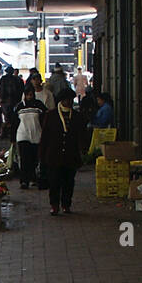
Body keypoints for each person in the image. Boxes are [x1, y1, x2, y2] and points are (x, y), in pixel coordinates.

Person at [42, 86, 83, 215]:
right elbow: (45, 136)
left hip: (71, 155)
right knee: (54, 182)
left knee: (69, 182)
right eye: (67, 100)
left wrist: (82, 151)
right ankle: (54, 205)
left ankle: (66, 204)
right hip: (54, 155)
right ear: (61, 101)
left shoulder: (76, 116)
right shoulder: (51, 115)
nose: (69, 102)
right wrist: (42, 155)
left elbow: (81, 135)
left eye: (71, 100)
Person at [13, 86, 47, 189]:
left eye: (31, 94)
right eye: (27, 94)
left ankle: (34, 178)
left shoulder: (39, 106)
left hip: (37, 135)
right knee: (24, 158)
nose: (29, 96)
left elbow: (45, 120)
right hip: (23, 135)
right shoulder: (19, 106)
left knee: (34, 158)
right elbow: (14, 123)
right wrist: (12, 138)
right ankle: (24, 181)